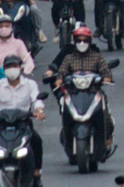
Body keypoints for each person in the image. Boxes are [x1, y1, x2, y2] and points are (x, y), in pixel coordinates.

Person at [44, 27, 114, 156]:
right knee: (65, 111)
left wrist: (106, 77)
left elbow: (105, 71)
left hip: (93, 92)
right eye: (79, 40)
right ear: (74, 41)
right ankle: (67, 137)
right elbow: (62, 71)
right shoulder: (69, 58)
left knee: (105, 112)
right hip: (73, 94)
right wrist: (59, 80)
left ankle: (107, 136)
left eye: (85, 40)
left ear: (89, 41)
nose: (82, 43)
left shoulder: (97, 57)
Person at [0, 54, 45, 185]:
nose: (12, 69)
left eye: (14, 66)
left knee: (36, 140)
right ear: (4, 68)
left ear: (20, 68)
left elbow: (37, 100)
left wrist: (39, 111)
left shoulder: (30, 84)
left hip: (23, 124)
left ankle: (36, 170)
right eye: (8, 66)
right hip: (1, 125)